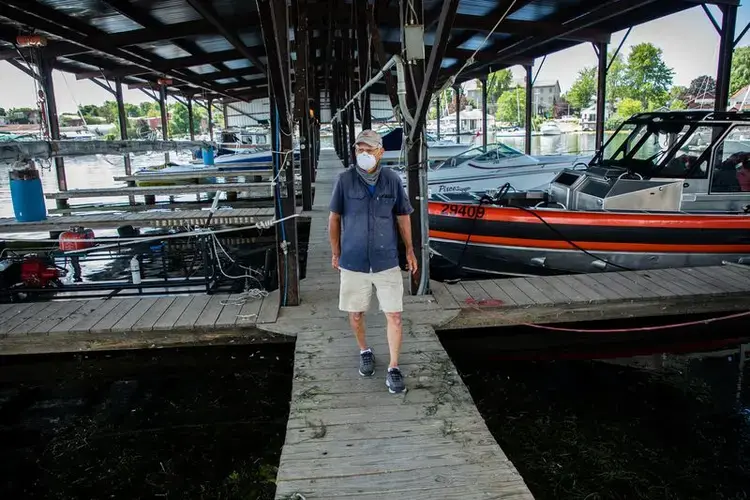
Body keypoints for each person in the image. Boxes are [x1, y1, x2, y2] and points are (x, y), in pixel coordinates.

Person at [328, 129, 418, 394]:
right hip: (353, 260)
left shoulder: (392, 180)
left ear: (381, 152)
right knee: (355, 314)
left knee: (395, 316)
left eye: (369, 150)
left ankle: (393, 367)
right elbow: (334, 219)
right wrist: (336, 252)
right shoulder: (344, 180)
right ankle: (364, 349)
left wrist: (410, 250)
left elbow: (403, 216)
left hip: (386, 260)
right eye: (359, 150)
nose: (364, 154)